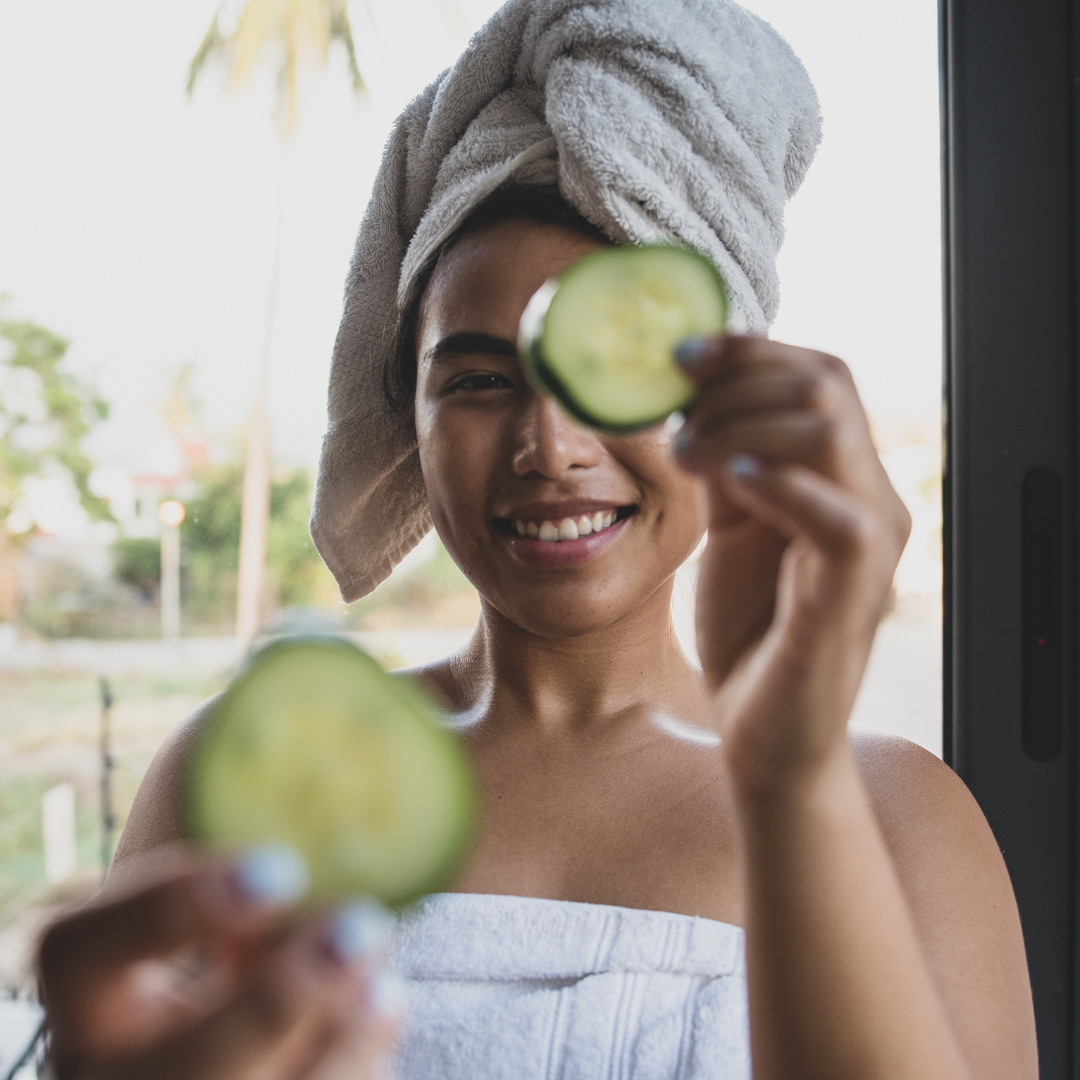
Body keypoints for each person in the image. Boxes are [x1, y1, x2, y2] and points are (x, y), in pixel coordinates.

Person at [39, 1, 1037, 1078]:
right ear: (405, 428)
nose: (550, 446)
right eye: (476, 381)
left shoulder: (899, 819)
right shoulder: (245, 778)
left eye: (616, 372)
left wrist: (793, 785)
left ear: (732, 398)